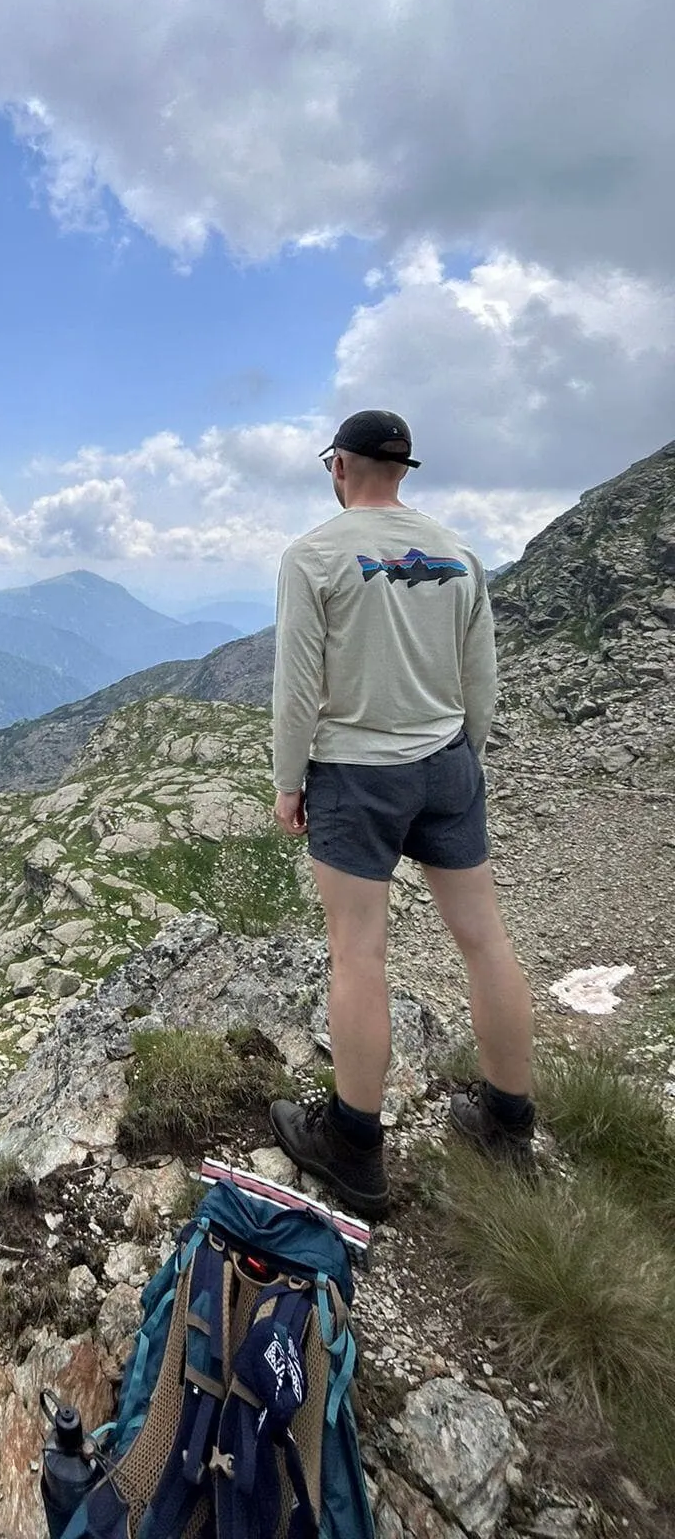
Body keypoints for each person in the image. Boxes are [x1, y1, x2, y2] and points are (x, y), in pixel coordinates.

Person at [266, 409, 535, 1218]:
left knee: (358, 955)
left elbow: (297, 686)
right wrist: (462, 760)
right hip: (447, 761)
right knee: (485, 938)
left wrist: (288, 782)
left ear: (339, 468)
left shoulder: (313, 556)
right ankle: (508, 1123)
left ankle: (354, 1149)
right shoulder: (459, 555)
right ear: (405, 471)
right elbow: (478, 677)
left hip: (356, 771)